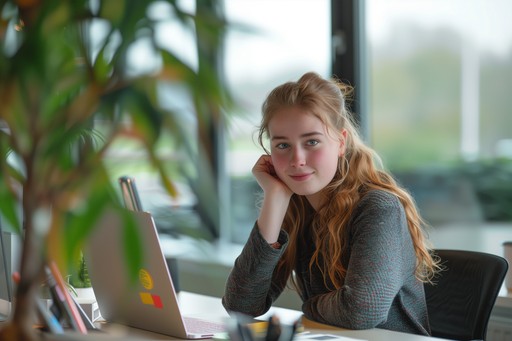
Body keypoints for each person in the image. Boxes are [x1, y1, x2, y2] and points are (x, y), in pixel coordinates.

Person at [222, 72, 440, 335]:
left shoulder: (378, 208)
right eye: (282, 145)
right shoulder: (296, 208)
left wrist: (309, 306)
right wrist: (274, 200)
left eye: (312, 141)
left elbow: (361, 310)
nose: (297, 159)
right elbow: (241, 305)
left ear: (341, 142)